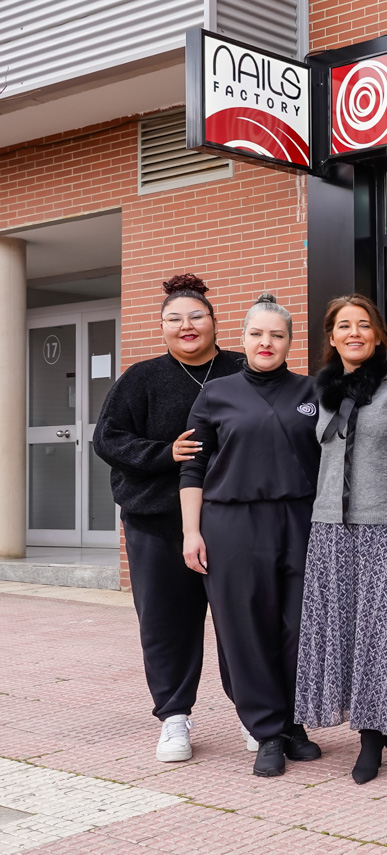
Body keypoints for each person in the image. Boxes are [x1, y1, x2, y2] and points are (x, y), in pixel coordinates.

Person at [93, 274, 245, 763]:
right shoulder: (140, 378)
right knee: (164, 624)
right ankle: (174, 717)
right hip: (155, 523)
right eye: (175, 319)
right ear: (161, 327)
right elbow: (108, 439)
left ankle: (256, 714)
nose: (187, 326)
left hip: (230, 522)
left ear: (215, 322)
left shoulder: (241, 370)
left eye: (197, 316)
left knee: (241, 622)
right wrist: (165, 453)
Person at [295, 295, 387, 785]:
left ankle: (370, 739)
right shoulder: (322, 391)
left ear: (378, 335)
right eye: (343, 326)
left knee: (383, 634)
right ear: (331, 337)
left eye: (364, 325)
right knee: (349, 634)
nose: (354, 333)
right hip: (331, 528)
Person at [180, 293, 323, 778]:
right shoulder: (216, 393)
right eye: (257, 334)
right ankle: (266, 731)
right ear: (241, 340)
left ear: (289, 342)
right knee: (245, 628)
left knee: (300, 628)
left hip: (300, 521)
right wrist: (191, 532)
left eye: (277, 335)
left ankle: (295, 723)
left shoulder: (312, 392)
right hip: (232, 524)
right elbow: (192, 468)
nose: (267, 342)